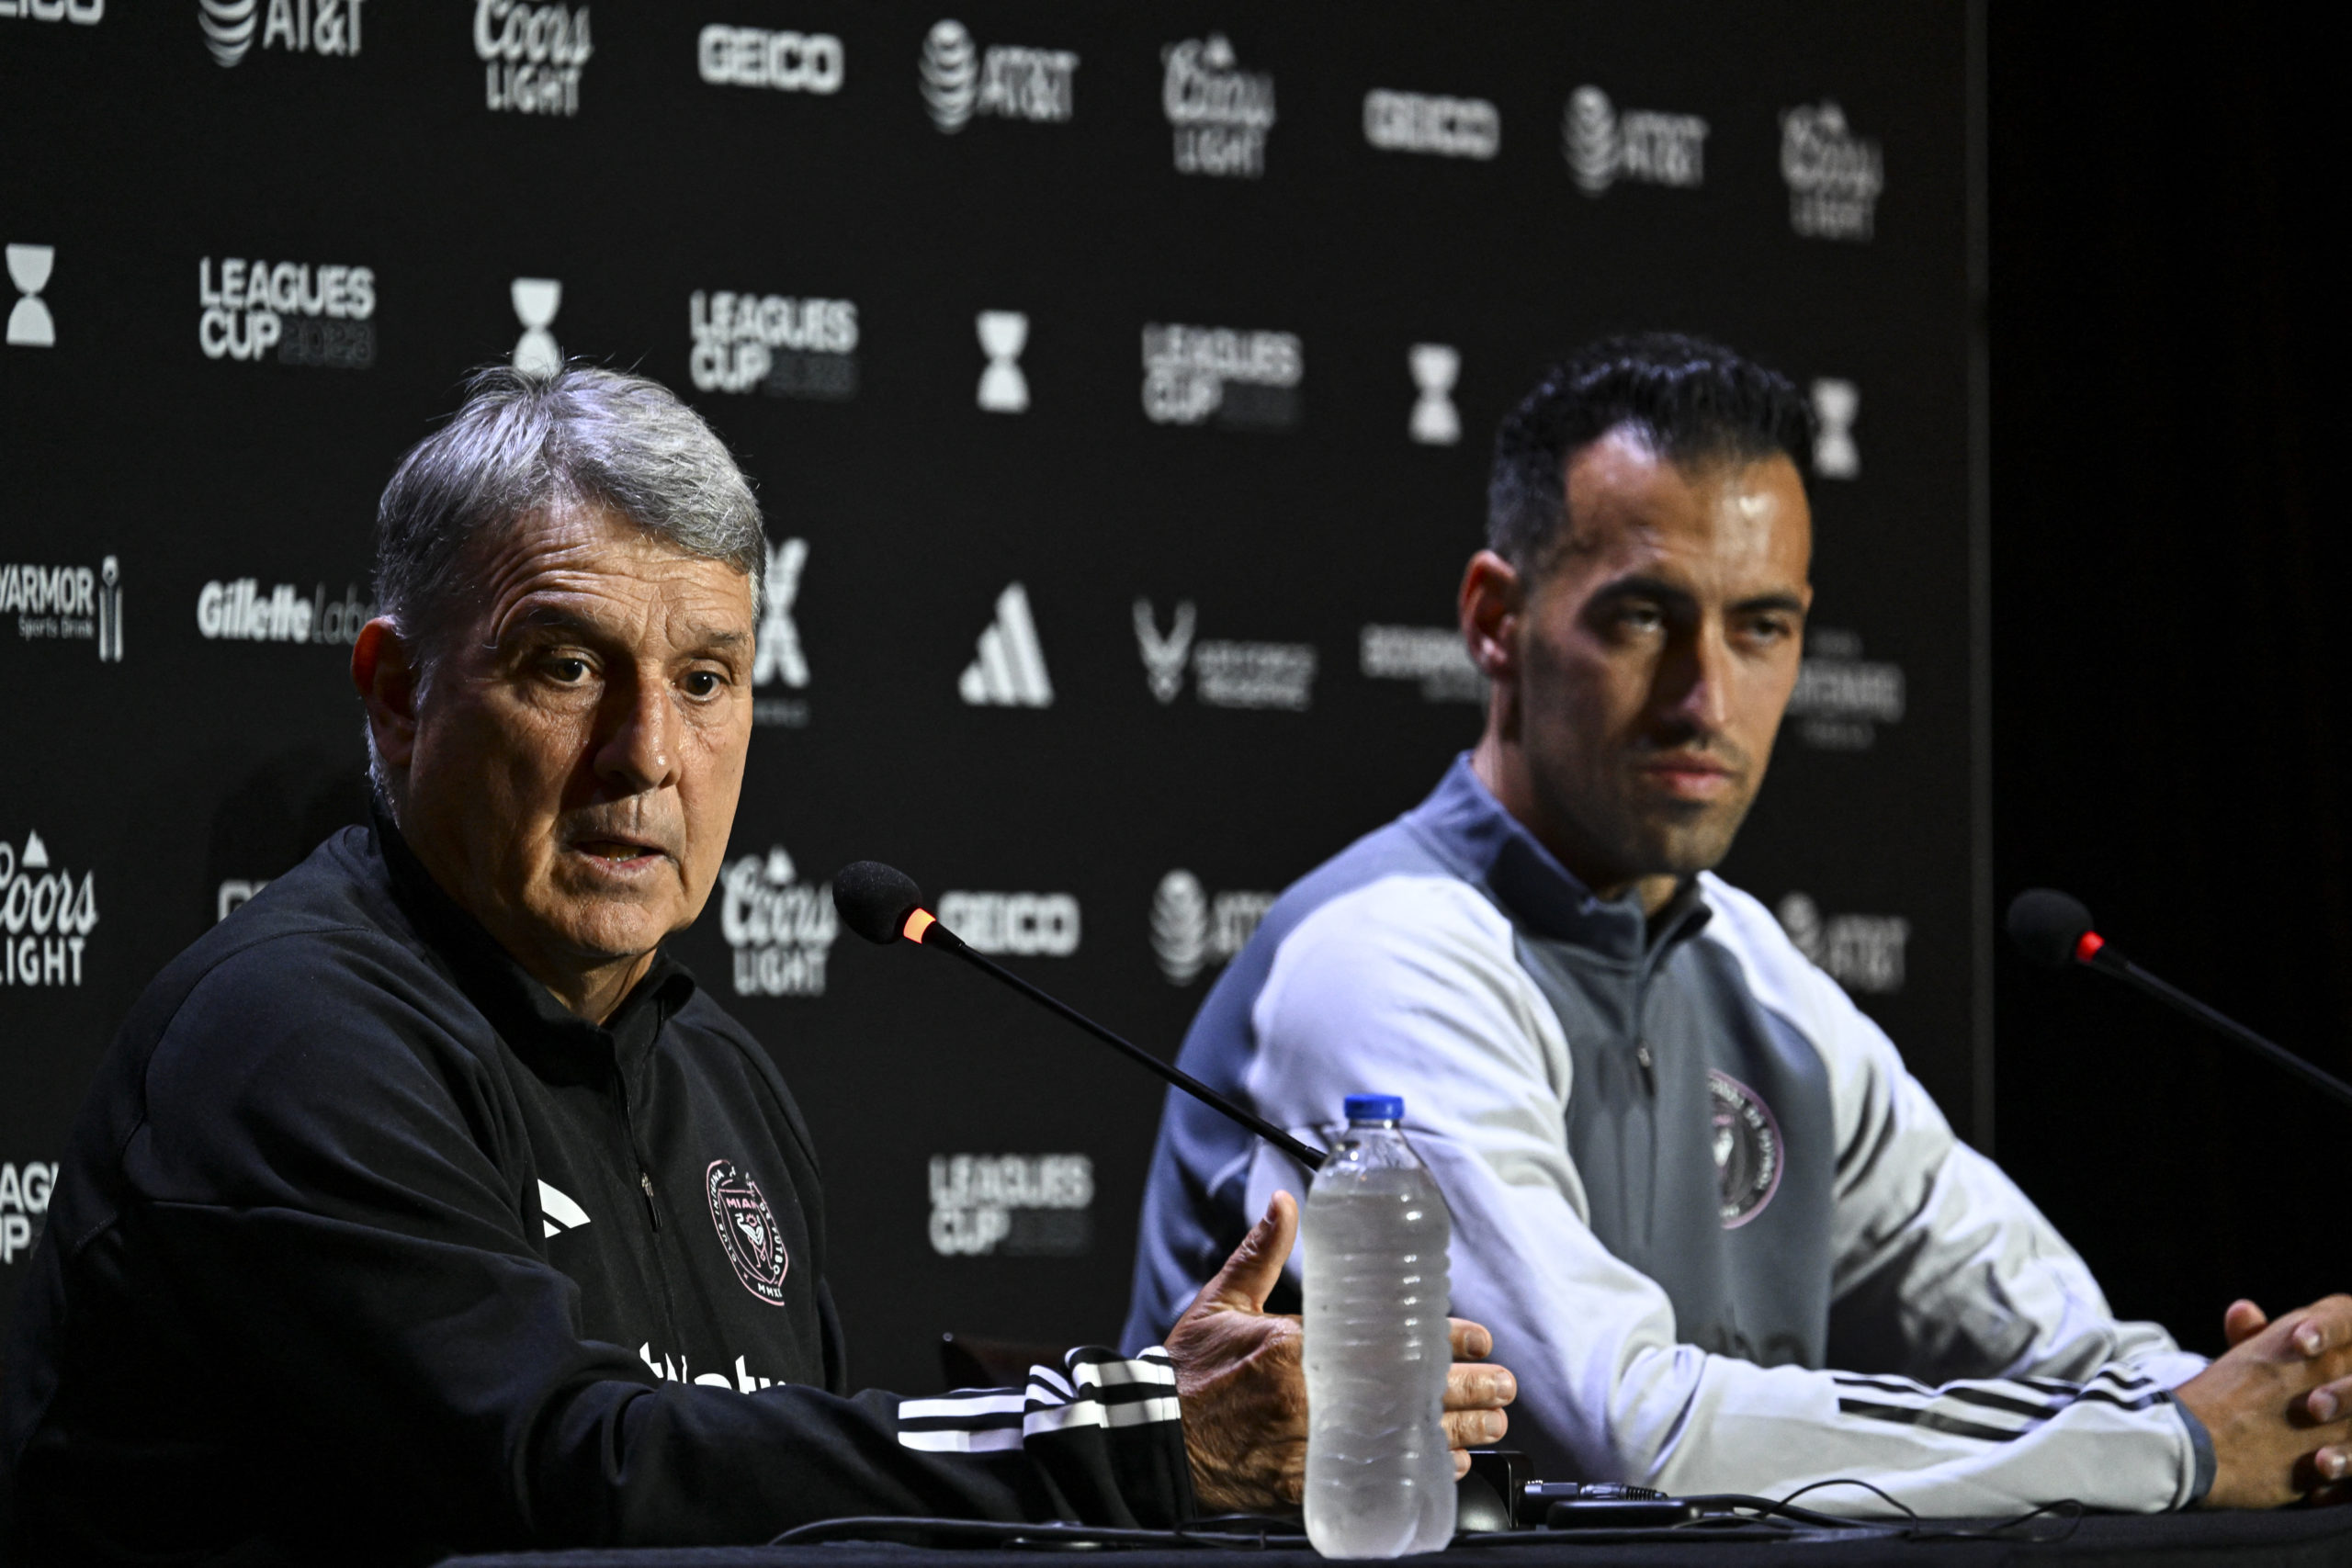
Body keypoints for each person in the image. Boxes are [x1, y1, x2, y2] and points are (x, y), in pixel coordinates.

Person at [0, 367, 1515, 1566]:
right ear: (398, 698)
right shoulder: (289, 1033)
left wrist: (1137, 1425)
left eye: (707, 678)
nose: (647, 756)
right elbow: (563, 1481)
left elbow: (796, 1505)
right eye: (568, 666)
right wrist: (1137, 1437)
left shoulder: (716, 1071)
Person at [1124, 333, 2352, 1517]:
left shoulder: (1760, 976)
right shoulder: (1380, 958)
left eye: (1762, 626)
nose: (1708, 697)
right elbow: (1623, 1432)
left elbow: (2069, 1347)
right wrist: (2174, 1444)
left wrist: (2287, 1403)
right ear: (1497, 619)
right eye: (1644, 618)